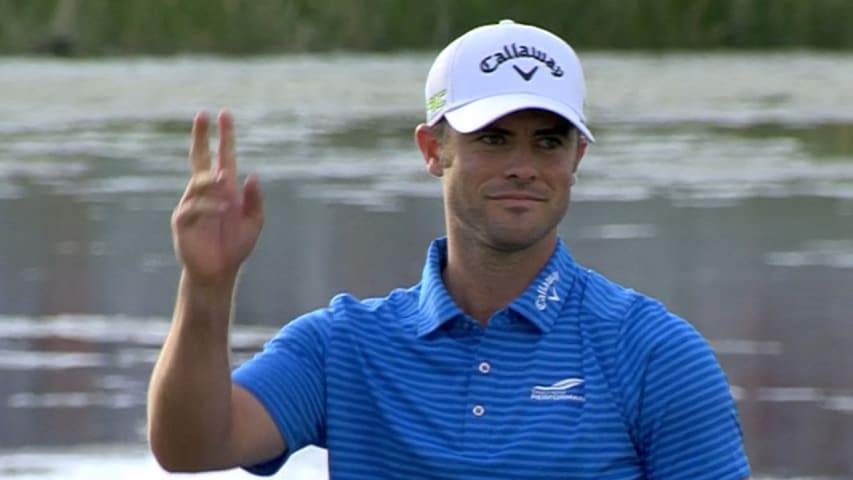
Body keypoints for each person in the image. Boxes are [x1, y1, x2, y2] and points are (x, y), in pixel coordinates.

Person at [147, 19, 751, 479]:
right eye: (492, 138)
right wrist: (206, 287)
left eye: (547, 141)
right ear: (433, 151)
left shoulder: (654, 354)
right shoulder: (343, 345)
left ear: (577, 158)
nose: (523, 167)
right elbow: (191, 448)